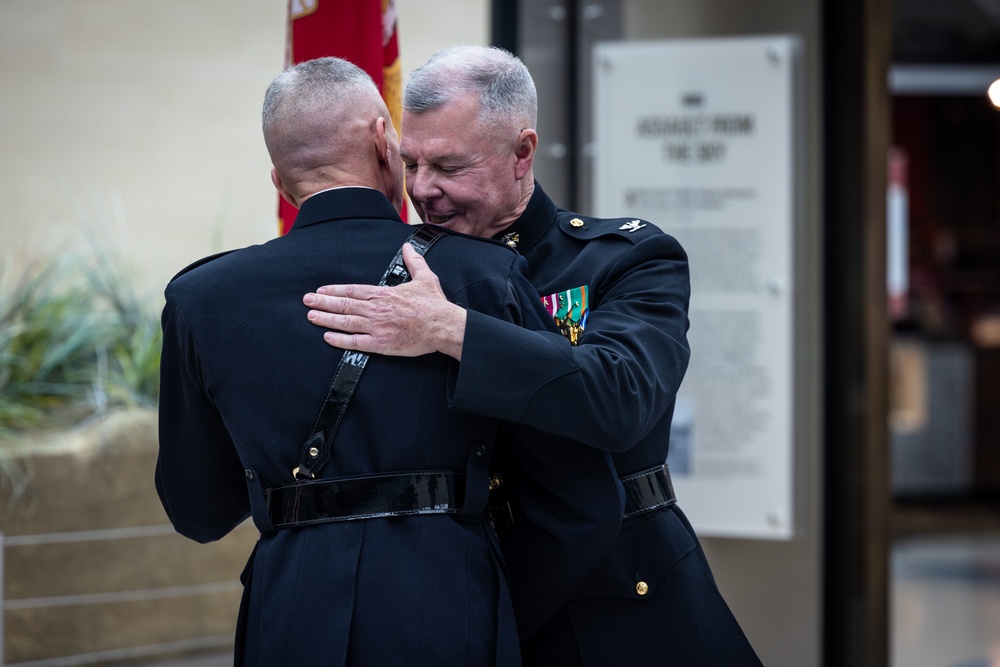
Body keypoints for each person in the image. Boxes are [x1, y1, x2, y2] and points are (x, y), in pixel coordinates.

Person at [303, 45, 764, 666]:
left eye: (450, 165)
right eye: (409, 162)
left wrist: (454, 331)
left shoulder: (622, 259)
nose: (422, 190)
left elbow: (620, 396)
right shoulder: (400, 271)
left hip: (616, 601)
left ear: (523, 153)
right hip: (463, 600)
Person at [155, 56, 623, 666]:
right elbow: (578, 498)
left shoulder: (200, 298)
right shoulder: (482, 275)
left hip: (291, 607)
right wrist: (500, 608)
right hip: (451, 598)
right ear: (385, 142)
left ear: (279, 180)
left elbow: (198, 510)